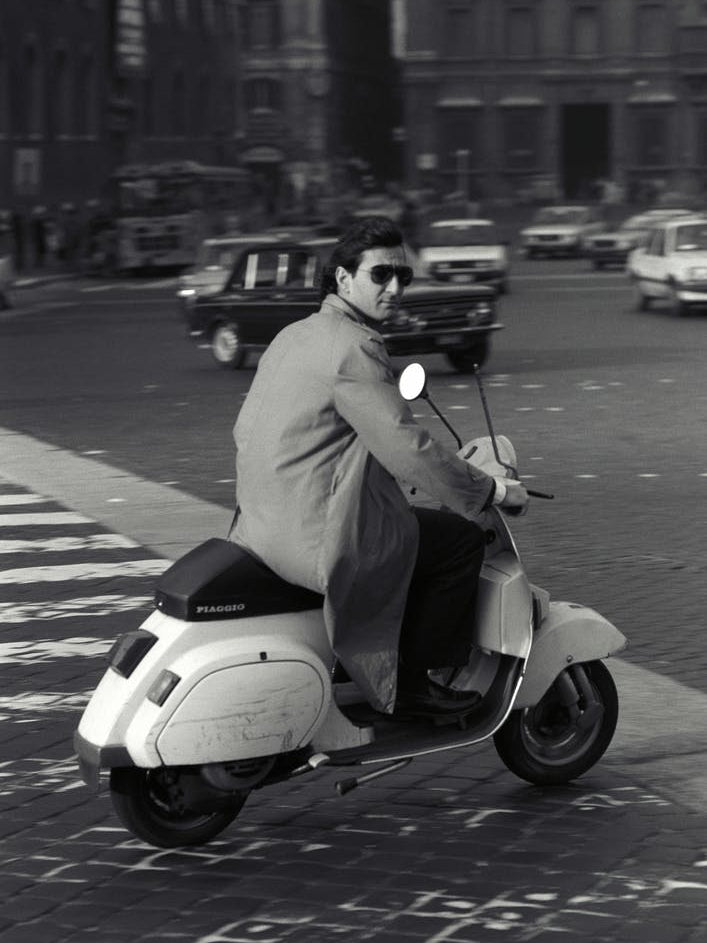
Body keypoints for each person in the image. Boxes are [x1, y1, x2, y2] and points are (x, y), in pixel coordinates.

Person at [230, 216, 528, 718]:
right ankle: (417, 682)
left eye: (403, 277)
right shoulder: (355, 347)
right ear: (343, 279)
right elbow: (406, 446)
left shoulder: (295, 335)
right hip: (316, 535)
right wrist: (491, 492)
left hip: (260, 524)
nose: (394, 288)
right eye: (380, 275)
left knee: (411, 529)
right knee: (458, 541)